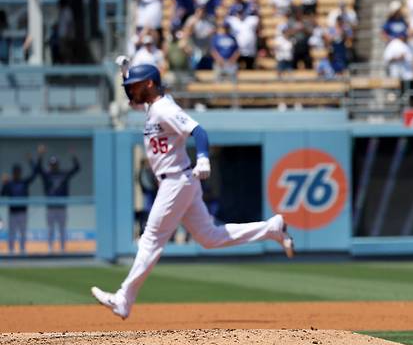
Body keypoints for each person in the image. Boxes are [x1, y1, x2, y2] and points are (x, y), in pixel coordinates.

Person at [91, 65, 294, 319]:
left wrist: (202, 158)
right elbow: (135, 103)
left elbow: (198, 131)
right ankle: (271, 228)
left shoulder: (165, 109)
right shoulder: (154, 107)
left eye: (136, 85)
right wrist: (125, 75)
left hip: (176, 180)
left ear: (150, 84)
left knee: (151, 238)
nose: (131, 90)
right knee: (209, 237)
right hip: (179, 181)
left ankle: (124, 299)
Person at [37, 150, 80, 253]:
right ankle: (50, 248)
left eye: (55, 164)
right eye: (52, 164)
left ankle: (62, 248)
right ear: (50, 165)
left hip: (62, 207)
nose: (53, 166)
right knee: (50, 229)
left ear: (58, 165)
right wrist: (40, 155)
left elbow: (77, 168)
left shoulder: (63, 174)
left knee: (62, 229)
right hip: (50, 208)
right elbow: (38, 170)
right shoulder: (47, 175)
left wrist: (74, 156)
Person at [1, 159, 39, 254]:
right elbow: (2, 194)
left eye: (18, 172)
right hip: (12, 213)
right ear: (13, 173)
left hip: (23, 212)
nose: (17, 173)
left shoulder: (24, 182)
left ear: (20, 173)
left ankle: (22, 250)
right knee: (11, 233)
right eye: (15, 172)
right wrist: (4, 183)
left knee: (23, 232)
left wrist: (31, 161)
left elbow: (35, 174)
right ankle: (11, 250)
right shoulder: (9, 184)